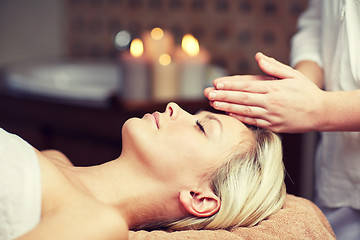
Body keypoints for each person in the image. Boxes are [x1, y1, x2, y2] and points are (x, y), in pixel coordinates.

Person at [0, 102, 286, 240]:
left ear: (200, 198)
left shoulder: (98, 224)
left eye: (201, 127)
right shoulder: (55, 158)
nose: (175, 107)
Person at [204, 0, 360, 239]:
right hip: (340, 179)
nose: (172, 107)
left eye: (202, 127)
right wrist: (298, 87)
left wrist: (320, 108)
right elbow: (319, 24)